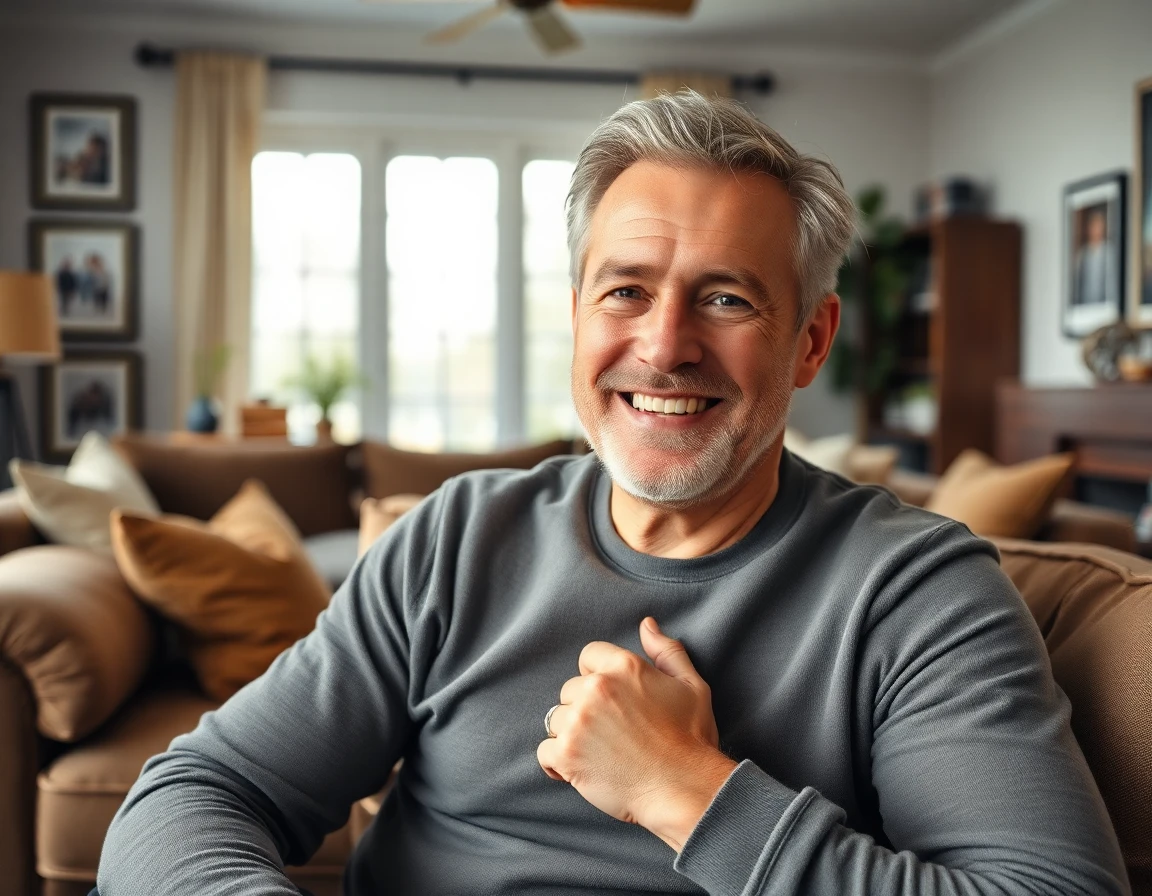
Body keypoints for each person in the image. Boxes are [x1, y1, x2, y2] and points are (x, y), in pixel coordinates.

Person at [94, 91, 1129, 895]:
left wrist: (687, 788)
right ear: (580, 315)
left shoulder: (916, 589)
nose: (665, 345)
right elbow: (193, 794)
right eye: (626, 289)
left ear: (810, 340)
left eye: (726, 298)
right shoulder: (457, 537)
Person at [1072, 205, 1116, 307]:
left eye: (1099, 225)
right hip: (1085, 304)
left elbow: (1111, 283)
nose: (1096, 230)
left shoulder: (1109, 251)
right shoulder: (1083, 254)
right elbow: (1077, 286)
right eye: (1094, 226)